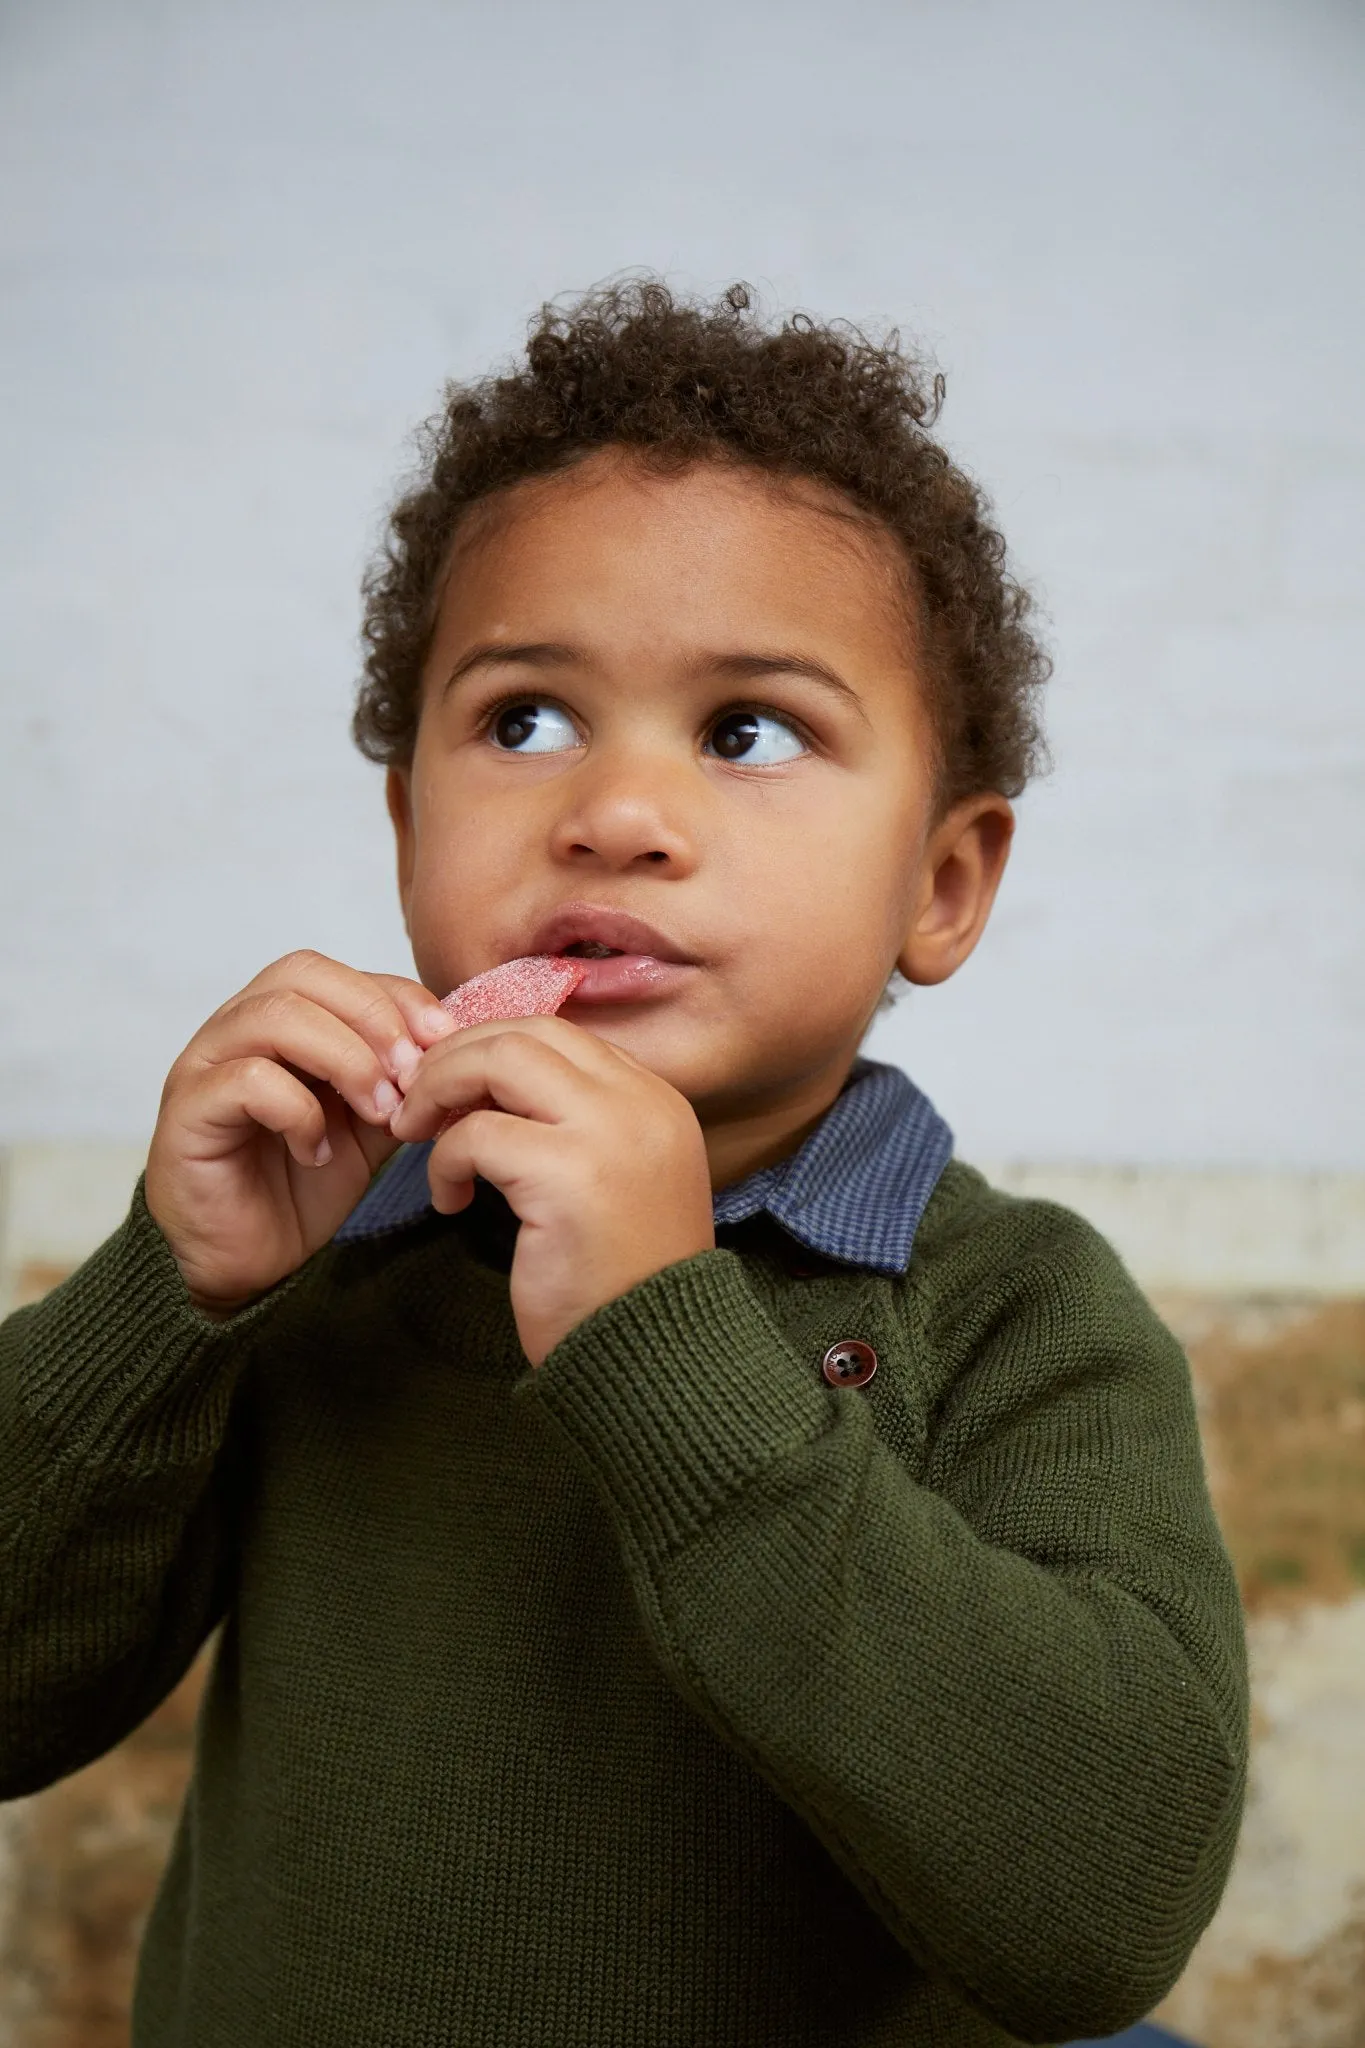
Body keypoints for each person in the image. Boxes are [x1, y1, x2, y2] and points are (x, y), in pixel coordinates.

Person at [0, 280, 1246, 2047]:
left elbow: (1102, 1912)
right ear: (407, 820)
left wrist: (668, 1334)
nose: (613, 813)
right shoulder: (316, 1260)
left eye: (748, 730)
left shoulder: (1016, 1313)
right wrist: (164, 1289)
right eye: (522, 721)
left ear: (943, 884)